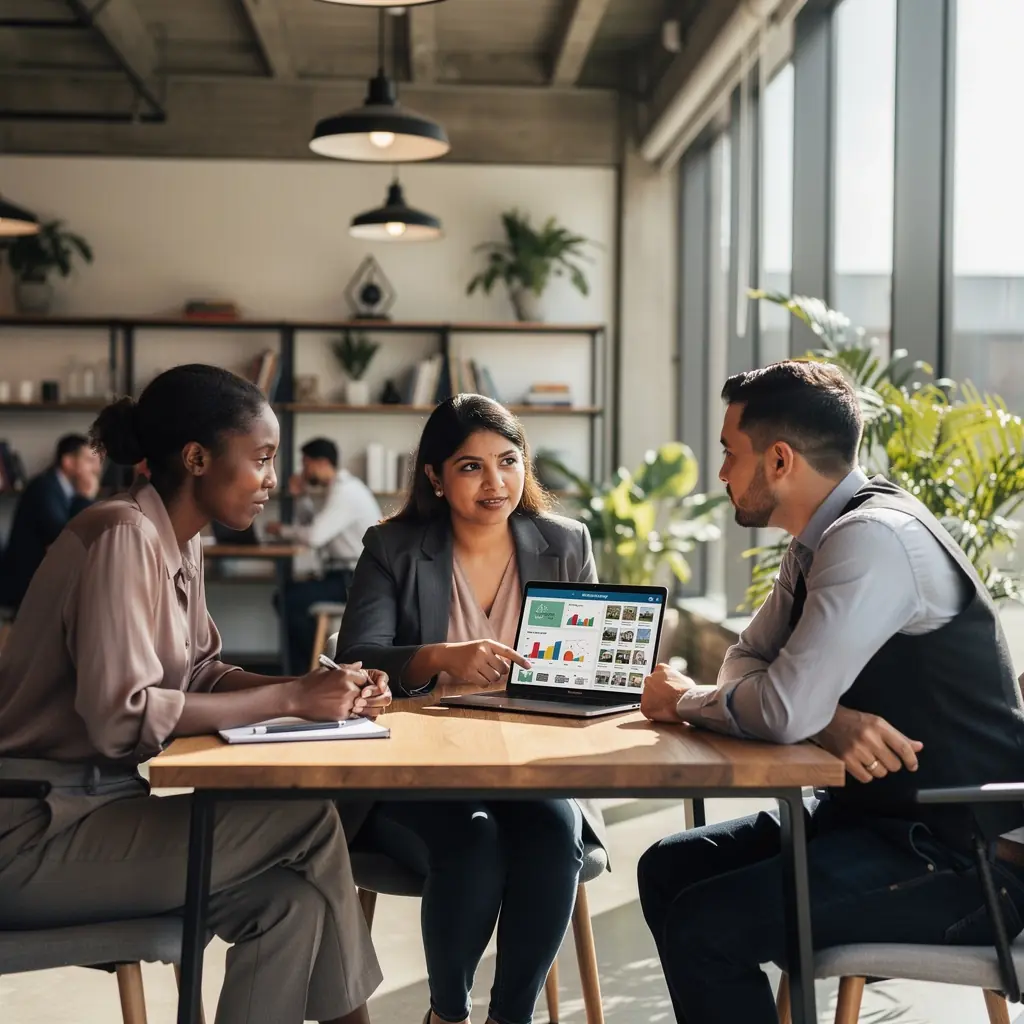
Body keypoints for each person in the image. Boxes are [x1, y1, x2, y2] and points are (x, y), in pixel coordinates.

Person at [635, 360, 1024, 1024]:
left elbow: (780, 705)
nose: (722, 473)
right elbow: (744, 665)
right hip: (874, 827)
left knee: (707, 924)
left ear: (779, 460)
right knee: (670, 869)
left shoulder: (869, 539)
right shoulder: (817, 540)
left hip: (967, 863)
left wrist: (683, 701)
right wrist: (830, 721)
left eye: (731, 453)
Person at [0, 364, 391, 1024]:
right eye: (262, 458)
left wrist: (315, 688)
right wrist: (293, 702)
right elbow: (120, 721)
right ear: (198, 458)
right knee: (308, 816)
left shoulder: (176, 539)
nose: (272, 480)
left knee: (288, 906)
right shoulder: (123, 535)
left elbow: (201, 673)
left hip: (98, 815)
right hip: (34, 835)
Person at [336, 394, 606, 1024]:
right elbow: (358, 653)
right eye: (470, 467)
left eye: (508, 461)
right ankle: (447, 1016)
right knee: (475, 841)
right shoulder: (393, 546)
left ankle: (510, 1017)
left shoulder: (565, 543)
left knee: (550, 835)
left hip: (535, 761)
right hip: (418, 772)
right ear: (434, 475)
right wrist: (439, 657)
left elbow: (589, 666)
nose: (496, 482)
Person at [266, 437, 382, 672]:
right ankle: (308, 667)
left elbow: (314, 536)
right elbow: (314, 524)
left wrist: (283, 530)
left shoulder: (346, 493)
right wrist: (300, 496)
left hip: (353, 580)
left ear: (321, 463)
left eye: (306, 463)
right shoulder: (339, 489)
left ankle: (306, 670)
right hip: (344, 575)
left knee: (289, 599)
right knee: (288, 596)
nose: (303, 470)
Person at [0, 433, 103, 609]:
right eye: (88, 461)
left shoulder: (61, 488)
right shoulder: (44, 488)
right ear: (68, 462)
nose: (96, 469)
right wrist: (85, 498)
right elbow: (65, 539)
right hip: (26, 586)